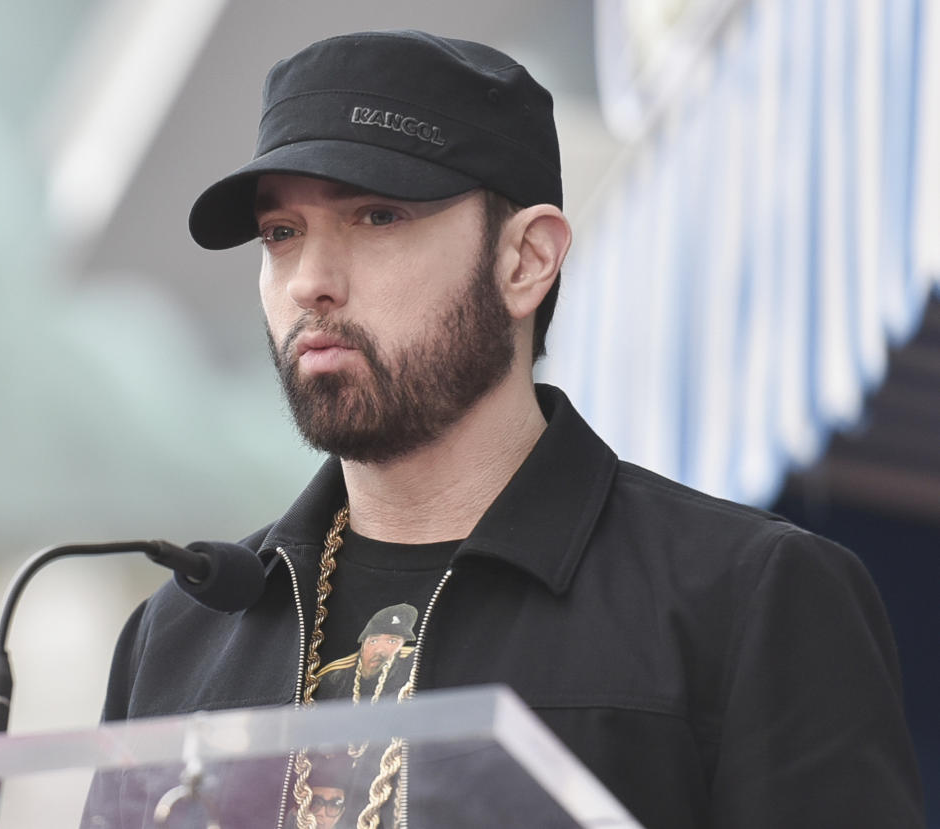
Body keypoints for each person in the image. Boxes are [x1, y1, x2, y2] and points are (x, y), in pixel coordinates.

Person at [86, 29, 924, 829]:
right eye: (281, 233)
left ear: (526, 260)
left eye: (377, 216)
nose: (310, 281)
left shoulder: (745, 596)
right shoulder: (179, 637)